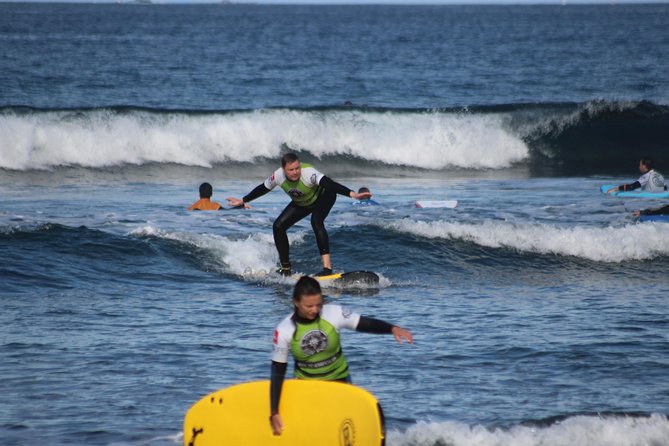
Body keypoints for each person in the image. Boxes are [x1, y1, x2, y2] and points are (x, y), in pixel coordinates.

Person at [269, 276, 413, 436]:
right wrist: (274, 411)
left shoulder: (334, 313)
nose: (315, 310)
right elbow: (277, 371)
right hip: (307, 387)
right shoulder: (284, 329)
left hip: (340, 382)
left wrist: (392, 329)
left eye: (318, 304)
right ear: (296, 302)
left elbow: (365, 323)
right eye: (308, 306)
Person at [226, 153, 371, 276]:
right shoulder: (278, 176)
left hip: (324, 196)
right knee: (278, 226)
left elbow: (330, 184)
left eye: (297, 168)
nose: (295, 172)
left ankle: (327, 269)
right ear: (284, 169)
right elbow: (263, 188)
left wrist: (353, 194)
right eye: (291, 170)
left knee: (316, 221)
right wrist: (243, 200)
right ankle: (285, 269)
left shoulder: (309, 173)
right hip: (302, 202)